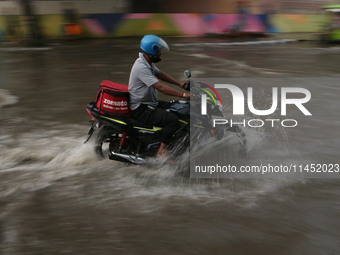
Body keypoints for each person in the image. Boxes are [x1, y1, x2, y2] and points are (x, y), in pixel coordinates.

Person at [128, 35, 190, 159]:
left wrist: (179, 84)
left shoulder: (146, 62)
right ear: (152, 51)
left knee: (178, 109)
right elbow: (160, 87)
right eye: (159, 51)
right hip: (141, 108)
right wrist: (183, 94)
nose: (160, 53)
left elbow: (160, 74)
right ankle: (161, 152)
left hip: (150, 103)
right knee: (172, 120)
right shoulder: (141, 67)